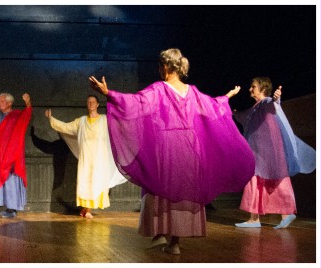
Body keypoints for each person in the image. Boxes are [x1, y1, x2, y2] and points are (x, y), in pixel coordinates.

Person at [89, 48, 255, 255]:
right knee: (183, 191)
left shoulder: (159, 89)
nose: (159, 69)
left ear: (166, 67)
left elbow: (135, 104)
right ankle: (174, 242)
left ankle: (160, 233)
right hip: (190, 148)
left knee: (160, 188)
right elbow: (211, 106)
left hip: (167, 146)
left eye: (159, 66)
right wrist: (226, 97)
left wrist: (108, 93)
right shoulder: (192, 91)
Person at [233, 77, 316, 229]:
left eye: (253, 86)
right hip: (259, 152)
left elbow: (274, 105)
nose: (250, 89)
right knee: (260, 180)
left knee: (274, 179)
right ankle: (259, 218)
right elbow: (245, 117)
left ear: (263, 88)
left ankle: (277, 215)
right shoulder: (256, 107)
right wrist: (234, 113)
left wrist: (277, 99)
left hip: (268, 152)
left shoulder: (266, 102)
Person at [44, 95, 127, 219]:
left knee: (97, 181)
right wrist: (52, 119)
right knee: (85, 182)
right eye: (89, 102)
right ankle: (86, 208)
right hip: (86, 158)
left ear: (97, 104)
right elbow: (66, 127)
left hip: (100, 157)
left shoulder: (105, 120)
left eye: (93, 102)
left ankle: (87, 209)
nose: (91, 104)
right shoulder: (81, 121)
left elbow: (119, 126)